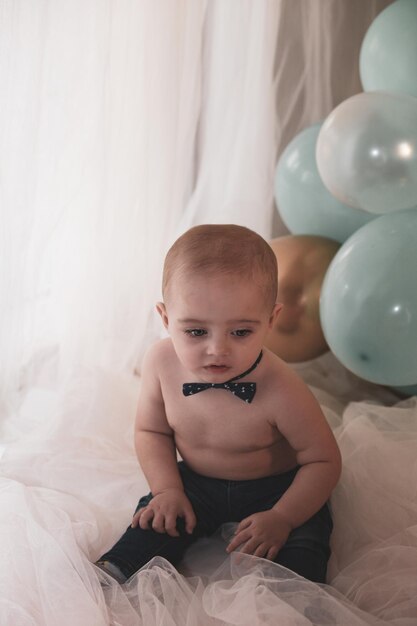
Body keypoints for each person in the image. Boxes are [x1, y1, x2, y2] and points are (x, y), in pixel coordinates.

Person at [96, 224, 341, 584]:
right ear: (166, 319)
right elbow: (151, 430)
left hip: (276, 488)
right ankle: (121, 566)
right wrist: (167, 490)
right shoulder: (161, 363)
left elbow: (323, 460)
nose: (217, 350)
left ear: (271, 320)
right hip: (196, 483)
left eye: (241, 332)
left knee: (302, 545)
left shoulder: (281, 387)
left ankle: (293, 590)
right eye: (196, 331)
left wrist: (283, 517)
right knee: (156, 518)